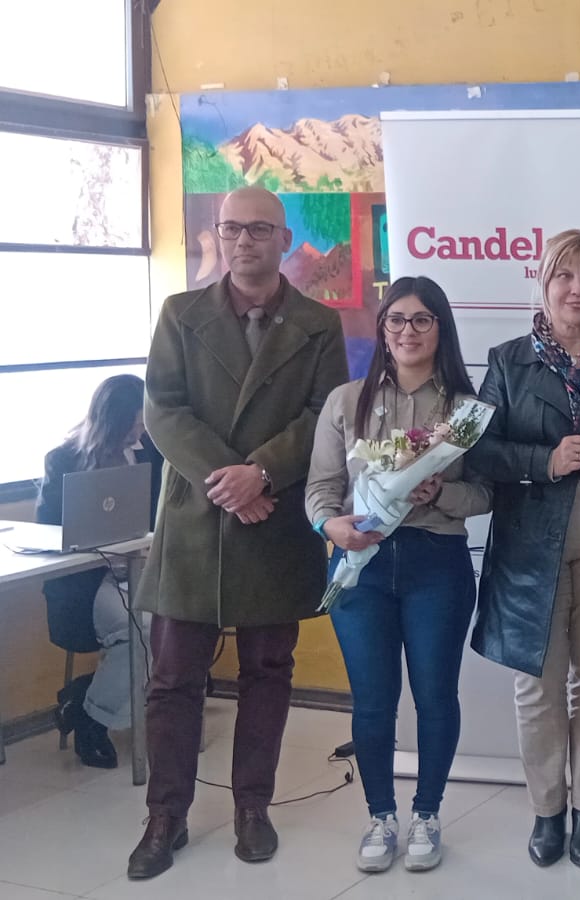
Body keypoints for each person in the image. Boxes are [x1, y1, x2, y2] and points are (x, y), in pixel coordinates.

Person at [130, 186, 348, 879]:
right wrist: (228, 478)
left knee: (267, 673)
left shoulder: (318, 323)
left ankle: (253, 807)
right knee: (171, 679)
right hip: (197, 517)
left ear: (285, 240)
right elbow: (163, 411)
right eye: (230, 229)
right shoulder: (180, 315)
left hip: (273, 516)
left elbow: (328, 414)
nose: (243, 241)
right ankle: (165, 816)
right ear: (217, 237)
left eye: (258, 229)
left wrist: (262, 474)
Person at [468, 228, 580, 870]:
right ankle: (547, 810)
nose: (578, 289)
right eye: (565, 277)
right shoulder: (508, 359)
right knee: (537, 684)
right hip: (529, 545)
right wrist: (543, 461)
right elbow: (479, 447)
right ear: (543, 286)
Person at [305, 276, 492, 873]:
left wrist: (443, 492)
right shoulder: (345, 401)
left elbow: (488, 490)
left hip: (436, 563)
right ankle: (381, 817)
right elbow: (320, 491)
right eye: (396, 320)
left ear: (441, 328)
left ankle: (428, 814)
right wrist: (332, 529)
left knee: (436, 695)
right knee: (373, 700)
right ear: (382, 329)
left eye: (421, 320)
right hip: (360, 564)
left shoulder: (467, 410)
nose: (407, 331)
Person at [36, 374, 164, 770]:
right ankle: (93, 720)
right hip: (86, 581)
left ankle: (82, 699)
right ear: (115, 419)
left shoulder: (150, 454)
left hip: (135, 568)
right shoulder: (64, 460)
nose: (142, 430)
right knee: (140, 629)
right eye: (137, 421)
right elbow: (48, 530)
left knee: (177, 621)